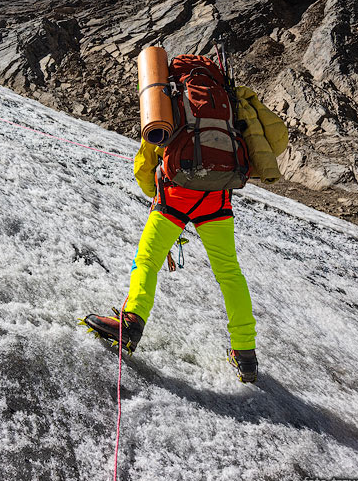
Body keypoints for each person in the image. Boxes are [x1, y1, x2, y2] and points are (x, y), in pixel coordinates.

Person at [82, 84, 287, 383]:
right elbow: (274, 138)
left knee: (148, 261)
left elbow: (146, 161)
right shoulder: (228, 99)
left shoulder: (168, 98)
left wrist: (156, 193)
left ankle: (131, 323)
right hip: (217, 198)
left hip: (174, 197)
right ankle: (245, 354)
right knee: (229, 273)